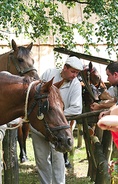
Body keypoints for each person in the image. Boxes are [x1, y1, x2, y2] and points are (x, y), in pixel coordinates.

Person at [30, 55, 83, 184]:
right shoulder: (49, 73)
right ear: (65, 68)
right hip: (39, 127)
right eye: (73, 71)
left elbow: (76, 109)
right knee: (42, 160)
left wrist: (54, 115)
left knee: (58, 160)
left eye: (77, 73)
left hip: (60, 130)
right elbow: (36, 91)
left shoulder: (76, 85)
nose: (75, 75)